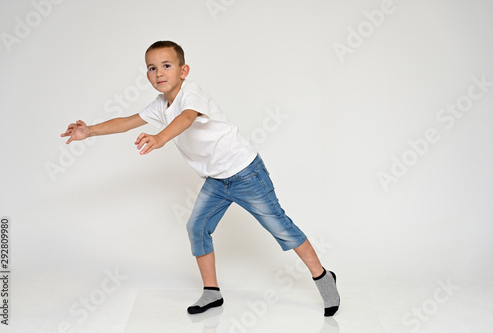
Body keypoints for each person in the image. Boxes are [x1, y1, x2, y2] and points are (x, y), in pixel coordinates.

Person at [61, 40, 340, 317]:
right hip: (217, 181)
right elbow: (126, 121)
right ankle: (212, 292)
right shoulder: (160, 104)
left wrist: (160, 137)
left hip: (246, 173)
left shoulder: (191, 94)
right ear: (147, 75)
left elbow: (186, 118)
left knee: (280, 226)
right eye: (152, 68)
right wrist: (91, 131)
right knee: (197, 227)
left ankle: (323, 277)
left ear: (184, 71)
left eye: (166, 66)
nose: (159, 73)